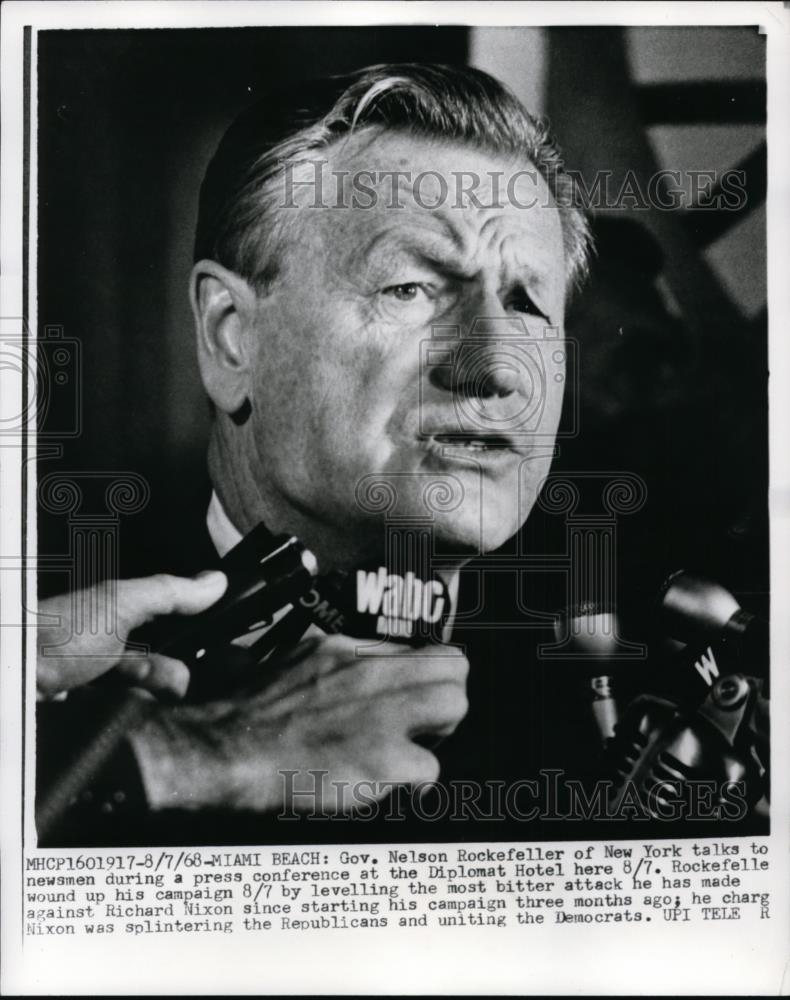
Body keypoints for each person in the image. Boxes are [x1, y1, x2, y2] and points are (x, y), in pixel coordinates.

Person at [38, 62, 672, 846]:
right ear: (232, 337)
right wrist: (193, 755)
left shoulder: (633, 705)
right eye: (411, 289)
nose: (498, 367)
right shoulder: (39, 646)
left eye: (526, 303)